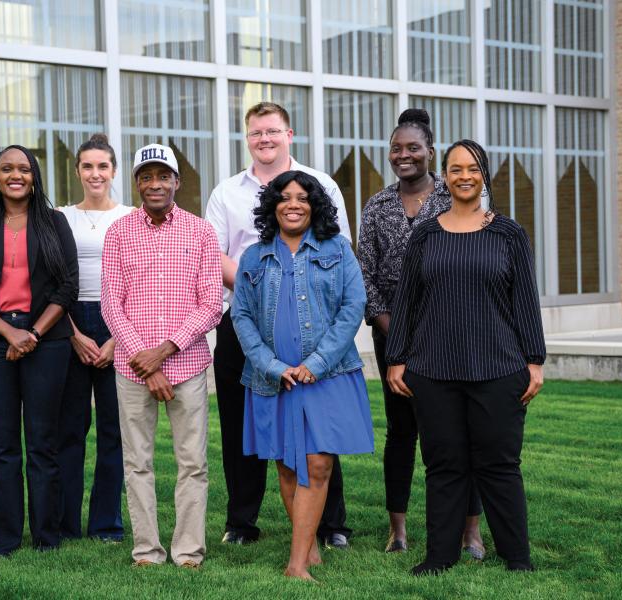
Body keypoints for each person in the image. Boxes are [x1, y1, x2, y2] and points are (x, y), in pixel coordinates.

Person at [385, 139, 545, 575]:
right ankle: (440, 556)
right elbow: (408, 300)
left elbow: (524, 300)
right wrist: (397, 357)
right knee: (443, 465)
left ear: (484, 175)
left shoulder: (508, 234)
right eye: (456, 169)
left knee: (499, 465)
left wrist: (534, 360)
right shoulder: (426, 235)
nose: (464, 176)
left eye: (473, 168)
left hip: (498, 368)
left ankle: (517, 557)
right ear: (445, 176)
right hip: (434, 370)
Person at [205, 101, 355, 548]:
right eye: (256, 132)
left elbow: (340, 247)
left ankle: (331, 526)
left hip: (313, 324)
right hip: (244, 321)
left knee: (318, 425)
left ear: (289, 135)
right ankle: (242, 522)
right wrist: (263, 287)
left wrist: (288, 288)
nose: (264, 139)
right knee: (242, 423)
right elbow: (214, 254)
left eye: (272, 131)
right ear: (247, 138)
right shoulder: (226, 193)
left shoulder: (320, 184)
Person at [231, 170, 373, 581]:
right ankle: (308, 550)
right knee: (288, 466)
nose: (293, 204)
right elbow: (241, 316)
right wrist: (272, 366)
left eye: (303, 198)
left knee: (318, 463)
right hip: (273, 378)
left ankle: (296, 565)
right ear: (273, 205)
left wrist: (317, 362)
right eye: (285, 197)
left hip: (327, 373)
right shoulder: (254, 256)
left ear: (315, 206)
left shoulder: (337, 249)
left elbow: (353, 305)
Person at [357, 108, 484, 557]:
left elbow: (475, 257)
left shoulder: (454, 197)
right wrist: (394, 332)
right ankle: (398, 530)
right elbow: (364, 274)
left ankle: (469, 530)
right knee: (401, 431)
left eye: (413, 147)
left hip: (450, 333)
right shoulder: (377, 206)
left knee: (456, 431)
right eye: (396, 148)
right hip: (391, 334)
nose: (403, 155)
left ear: (431, 151)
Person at [100, 143, 222, 568]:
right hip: (132, 370)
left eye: (163, 176)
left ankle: (188, 551)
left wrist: (164, 351)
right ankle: (147, 552)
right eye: (147, 177)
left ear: (177, 181)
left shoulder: (201, 232)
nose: (155, 184)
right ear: (136, 183)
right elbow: (111, 305)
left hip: (187, 365)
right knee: (137, 463)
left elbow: (211, 304)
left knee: (193, 463)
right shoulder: (118, 232)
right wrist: (144, 361)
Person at [0, 145, 78, 556]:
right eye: (7, 168)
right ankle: (5, 540)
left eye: (23, 169)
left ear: (34, 176)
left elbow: (68, 286)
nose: (15, 175)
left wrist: (33, 334)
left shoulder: (55, 223)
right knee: (3, 445)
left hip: (48, 342)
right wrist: (10, 333)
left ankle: (46, 538)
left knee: (43, 442)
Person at [56, 134, 134, 542]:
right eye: (87, 166)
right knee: (69, 430)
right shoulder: (60, 218)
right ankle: (65, 524)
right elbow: (49, 281)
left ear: (114, 171)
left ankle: (106, 525)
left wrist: (116, 339)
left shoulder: (131, 217)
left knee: (114, 431)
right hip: (69, 322)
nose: (95, 173)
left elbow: (140, 284)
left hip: (117, 324)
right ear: (77, 171)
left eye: (102, 166)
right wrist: (73, 334)